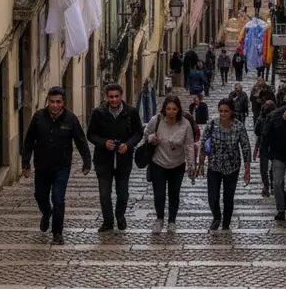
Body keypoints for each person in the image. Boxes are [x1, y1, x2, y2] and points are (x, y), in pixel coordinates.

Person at [22, 86, 92, 245]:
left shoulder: (71, 119)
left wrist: (86, 161)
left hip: (62, 166)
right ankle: (47, 213)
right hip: (42, 166)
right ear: (48, 101)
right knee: (40, 196)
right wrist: (25, 162)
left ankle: (57, 233)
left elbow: (80, 140)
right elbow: (28, 141)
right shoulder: (39, 117)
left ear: (63, 103)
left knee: (58, 198)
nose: (55, 105)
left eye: (58, 102)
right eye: (52, 102)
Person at [86, 82, 142, 233]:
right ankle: (108, 221)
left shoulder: (131, 112)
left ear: (121, 96)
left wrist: (128, 145)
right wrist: (104, 143)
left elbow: (138, 133)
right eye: (111, 97)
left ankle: (120, 216)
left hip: (124, 158)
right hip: (103, 159)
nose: (114, 100)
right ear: (107, 97)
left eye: (116, 96)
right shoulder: (98, 112)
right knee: (104, 193)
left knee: (122, 192)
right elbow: (90, 134)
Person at [144, 94, 196, 233]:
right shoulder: (156, 120)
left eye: (174, 109)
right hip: (158, 162)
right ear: (164, 109)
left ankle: (172, 221)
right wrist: (151, 138)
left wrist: (192, 164)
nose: (171, 112)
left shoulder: (185, 124)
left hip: (177, 164)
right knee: (159, 193)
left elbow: (189, 144)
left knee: (174, 194)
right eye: (168, 109)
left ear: (179, 109)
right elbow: (146, 134)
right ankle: (159, 219)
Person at [199, 97, 252, 232]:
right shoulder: (212, 124)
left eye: (226, 111)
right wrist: (201, 163)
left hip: (232, 167)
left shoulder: (239, 127)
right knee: (212, 196)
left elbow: (245, 147)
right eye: (221, 111)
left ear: (231, 111)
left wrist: (247, 169)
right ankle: (216, 217)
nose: (223, 114)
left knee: (228, 197)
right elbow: (204, 144)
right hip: (214, 166)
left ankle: (226, 223)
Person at [254, 99, 277, 197]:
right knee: (264, 168)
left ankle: (271, 186)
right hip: (265, 145)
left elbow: (257, 131)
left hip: (274, 146)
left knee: (273, 168)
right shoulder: (262, 117)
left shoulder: (274, 117)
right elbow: (257, 132)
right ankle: (267, 186)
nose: (265, 107)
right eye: (265, 105)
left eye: (267, 105)